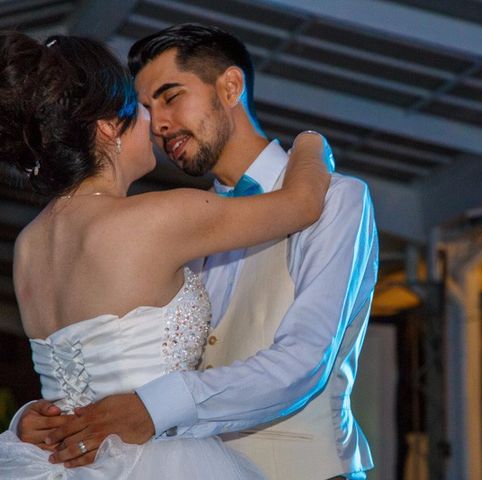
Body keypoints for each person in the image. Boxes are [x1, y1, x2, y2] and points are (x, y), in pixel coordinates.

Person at [16, 23, 378, 480]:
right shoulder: (174, 220)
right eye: (145, 108)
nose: (158, 124)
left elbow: (305, 362)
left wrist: (153, 408)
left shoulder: (337, 197)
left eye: (170, 96)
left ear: (230, 86)